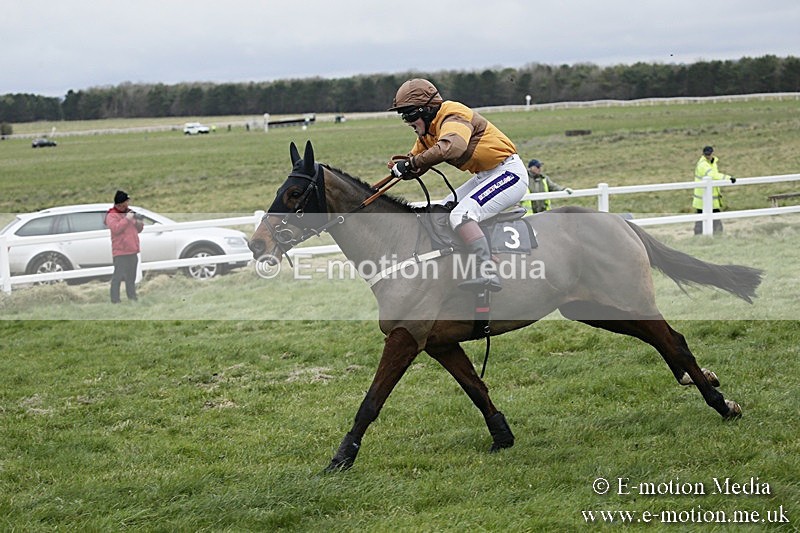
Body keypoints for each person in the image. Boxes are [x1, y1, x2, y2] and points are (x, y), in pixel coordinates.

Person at [386, 78, 528, 292]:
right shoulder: (428, 133)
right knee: (442, 212)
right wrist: (403, 167)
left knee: (461, 215)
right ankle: (461, 263)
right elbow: (416, 162)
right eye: (403, 116)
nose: (407, 121)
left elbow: (452, 147)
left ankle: (487, 270)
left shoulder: (452, 113)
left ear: (426, 110)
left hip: (509, 173)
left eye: (410, 114)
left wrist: (412, 163)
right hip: (485, 176)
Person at [105, 190, 144, 303]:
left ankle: (132, 298)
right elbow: (116, 229)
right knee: (118, 277)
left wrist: (138, 222)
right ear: (120, 203)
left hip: (132, 250)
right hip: (120, 252)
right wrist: (127, 219)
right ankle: (115, 300)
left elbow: (139, 230)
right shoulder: (112, 215)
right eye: (127, 201)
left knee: (131, 277)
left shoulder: (129, 213)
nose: (128, 203)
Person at [693, 146, 736, 235]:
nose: (708, 156)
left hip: (711, 198)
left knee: (713, 218)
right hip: (702, 199)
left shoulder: (713, 163)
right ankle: (703, 237)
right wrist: (728, 178)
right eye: (706, 155)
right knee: (703, 221)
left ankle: (715, 236)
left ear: (712, 153)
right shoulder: (702, 164)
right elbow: (713, 175)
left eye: (709, 154)